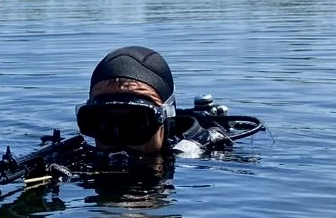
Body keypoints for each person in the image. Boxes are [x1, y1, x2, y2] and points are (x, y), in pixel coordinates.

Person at [74, 45, 245, 158]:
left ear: (166, 118)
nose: (119, 139)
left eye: (136, 123)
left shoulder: (205, 158)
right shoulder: (70, 162)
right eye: (104, 122)